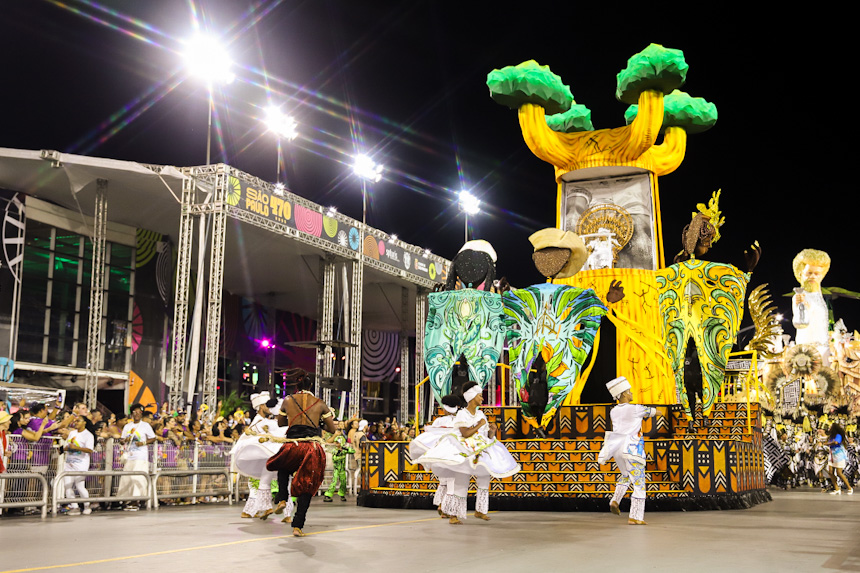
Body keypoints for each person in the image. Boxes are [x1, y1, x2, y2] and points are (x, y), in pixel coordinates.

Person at [414, 381, 521, 525]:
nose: (482, 398)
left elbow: (486, 436)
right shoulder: (462, 415)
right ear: (471, 397)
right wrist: (479, 425)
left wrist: (492, 431)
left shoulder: (481, 414)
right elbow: (464, 434)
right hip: (464, 449)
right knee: (461, 482)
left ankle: (481, 510)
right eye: (480, 396)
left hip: (480, 450)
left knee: (485, 476)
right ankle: (453, 515)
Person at [266, 368, 336, 537]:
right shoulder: (320, 403)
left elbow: (282, 423)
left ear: (297, 385)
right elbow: (332, 429)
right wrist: (318, 422)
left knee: (284, 467)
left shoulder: (288, 400)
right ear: (311, 385)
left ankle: (282, 498)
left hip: (293, 444)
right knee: (307, 486)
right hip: (311, 447)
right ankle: (297, 526)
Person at [598, 376, 657, 525]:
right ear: (624, 394)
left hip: (618, 449)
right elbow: (655, 412)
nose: (631, 394)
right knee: (639, 483)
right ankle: (636, 516)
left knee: (625, 475)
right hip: (632, 449)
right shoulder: (636, 408)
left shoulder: (614, 411)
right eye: (629, 391)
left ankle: (615, 500)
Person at [408, 394, 464, 516]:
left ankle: (440, 505)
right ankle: (446, 509)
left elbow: (431, 437)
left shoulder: (439, 421)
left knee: (443, 481)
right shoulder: (460, 421)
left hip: (440, 456)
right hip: (453, 456)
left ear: (445, 408)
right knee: (451, 483)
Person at [116, 403, 156, 511]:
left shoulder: (145, 425)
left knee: (137, 478)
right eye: (134, 412)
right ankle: (125, 500)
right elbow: (121, 440)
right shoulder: (127, 426)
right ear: (132, 413)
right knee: (127, 478)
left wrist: (143, 443)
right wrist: (125, 440)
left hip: (140, 456)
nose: (137, 414)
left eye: (139, 412)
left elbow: (153, 438)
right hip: (129, 456)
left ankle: (136, 501)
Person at [61, 415, 95, 515]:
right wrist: (65, 448)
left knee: (80, 486)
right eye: (75, 421)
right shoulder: (72, 433)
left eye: (78, 421)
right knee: (67, 485)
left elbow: (89, 450)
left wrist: (76, 448)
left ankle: (87, 506)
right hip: (69, 463)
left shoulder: (88, 435)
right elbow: (68, 445)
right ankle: (75, 507)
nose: (75, 423)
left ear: (84, 423)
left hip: (81, 463)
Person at [323, 431, 354, 502]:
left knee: (343, 482)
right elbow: (334, 459)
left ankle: (342, 494)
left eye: (338, 442)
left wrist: (346, 449)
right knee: (334, 482)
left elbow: (353, 451)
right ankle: (328, 495)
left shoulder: (344, 450)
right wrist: (340, 455)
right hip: (336, 469)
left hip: (342, 469)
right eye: (336, 442)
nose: (336, 444)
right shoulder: (334, 450)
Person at [826, 423, 854, 495]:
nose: (829, 428)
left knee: (839, 473)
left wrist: (827, 444)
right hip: (832, 455)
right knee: (830, 472)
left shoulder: (838, 435)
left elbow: (836, 442)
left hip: (839, 455)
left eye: (830, 427)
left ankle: (849, 488)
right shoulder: (831, 436)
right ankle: (837, 489)